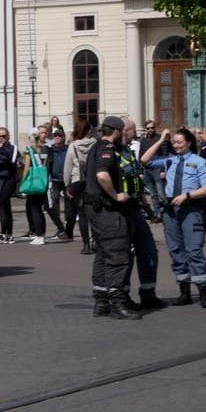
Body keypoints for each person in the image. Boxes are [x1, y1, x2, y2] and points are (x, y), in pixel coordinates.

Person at [141, 127, 206, 308]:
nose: (176, 145)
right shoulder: (169, 160)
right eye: (174, 142)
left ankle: (203, 292)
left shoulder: (199, 162)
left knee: (194, 251)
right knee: (176, 251)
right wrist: (161, 140)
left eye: (180, 142)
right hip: (171, 211)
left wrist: (187, 196)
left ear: (188, 142)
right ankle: (184, 292)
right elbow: (144, 160)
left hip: (191, 210)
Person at [80, 116, 141, 320]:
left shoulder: (95, 147)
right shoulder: (107, 148)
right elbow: (102, 175)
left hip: (94, 208)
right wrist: (116, 196)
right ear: (115, 131)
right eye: (121, 131)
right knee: (117, 254)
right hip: (107, 210)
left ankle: (101, 302)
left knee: (102, 254)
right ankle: (117, 303)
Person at [119, 119, 166, 310]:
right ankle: (122, 296)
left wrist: (148, 210)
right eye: (133, 131)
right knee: (125, 255)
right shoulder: (114, 152)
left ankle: (148, 294)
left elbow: (141, 167)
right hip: (121, 210)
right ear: (125, 131)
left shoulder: (128, 151)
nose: (135, 135)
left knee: (148, 251)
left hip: (136, 209)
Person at [62, 120, 97, 255]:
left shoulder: (73, 146)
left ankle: (86, 245)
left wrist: (67, 185)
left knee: (82, 214)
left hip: (77, 181)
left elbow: (67, 167)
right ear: (89, 130)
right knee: (94, 212)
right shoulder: (95, 144)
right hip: (92, 181)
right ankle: (95, 241)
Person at [0, 127, 20, 243]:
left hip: (9, 180)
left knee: (1, 205)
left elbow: (5, 160)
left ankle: (4, 234)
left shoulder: (12, 148)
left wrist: (0, 150)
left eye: (4, 136)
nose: (1, 138)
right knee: (6, 206)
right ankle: (8, 234)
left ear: (8, 136)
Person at [20, 131, 50, 245]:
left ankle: (39, 235)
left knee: (35, 209)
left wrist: (23, 182)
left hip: (34, 182)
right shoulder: (46, 150)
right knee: (40, 209)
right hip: (43, 181)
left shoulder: (30, 151)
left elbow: (26, 168)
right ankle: (42, 234)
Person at [136, 119, 166, 222]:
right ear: (145, 129)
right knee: (153, 195)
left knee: (161, 194)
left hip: (158, 170)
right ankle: (157, 215)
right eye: (148, 128)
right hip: (147, 170)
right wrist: (140, 171)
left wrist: (163, 170)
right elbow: (141, 156)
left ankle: (166, 214)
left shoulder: (159, 139)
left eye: (152, 128)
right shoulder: (143, 141)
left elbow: (164, 155)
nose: (150, 130)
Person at [44, 130, 68, 236]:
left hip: (66, 179)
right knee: (54, 203)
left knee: (68, 203)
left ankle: (68, 225)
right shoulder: (51, 149)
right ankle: (60, 227)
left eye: (60, 135)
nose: (57, 137)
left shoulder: (68, 148)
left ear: (64, 137)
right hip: (54, 179)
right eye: (55, 135)